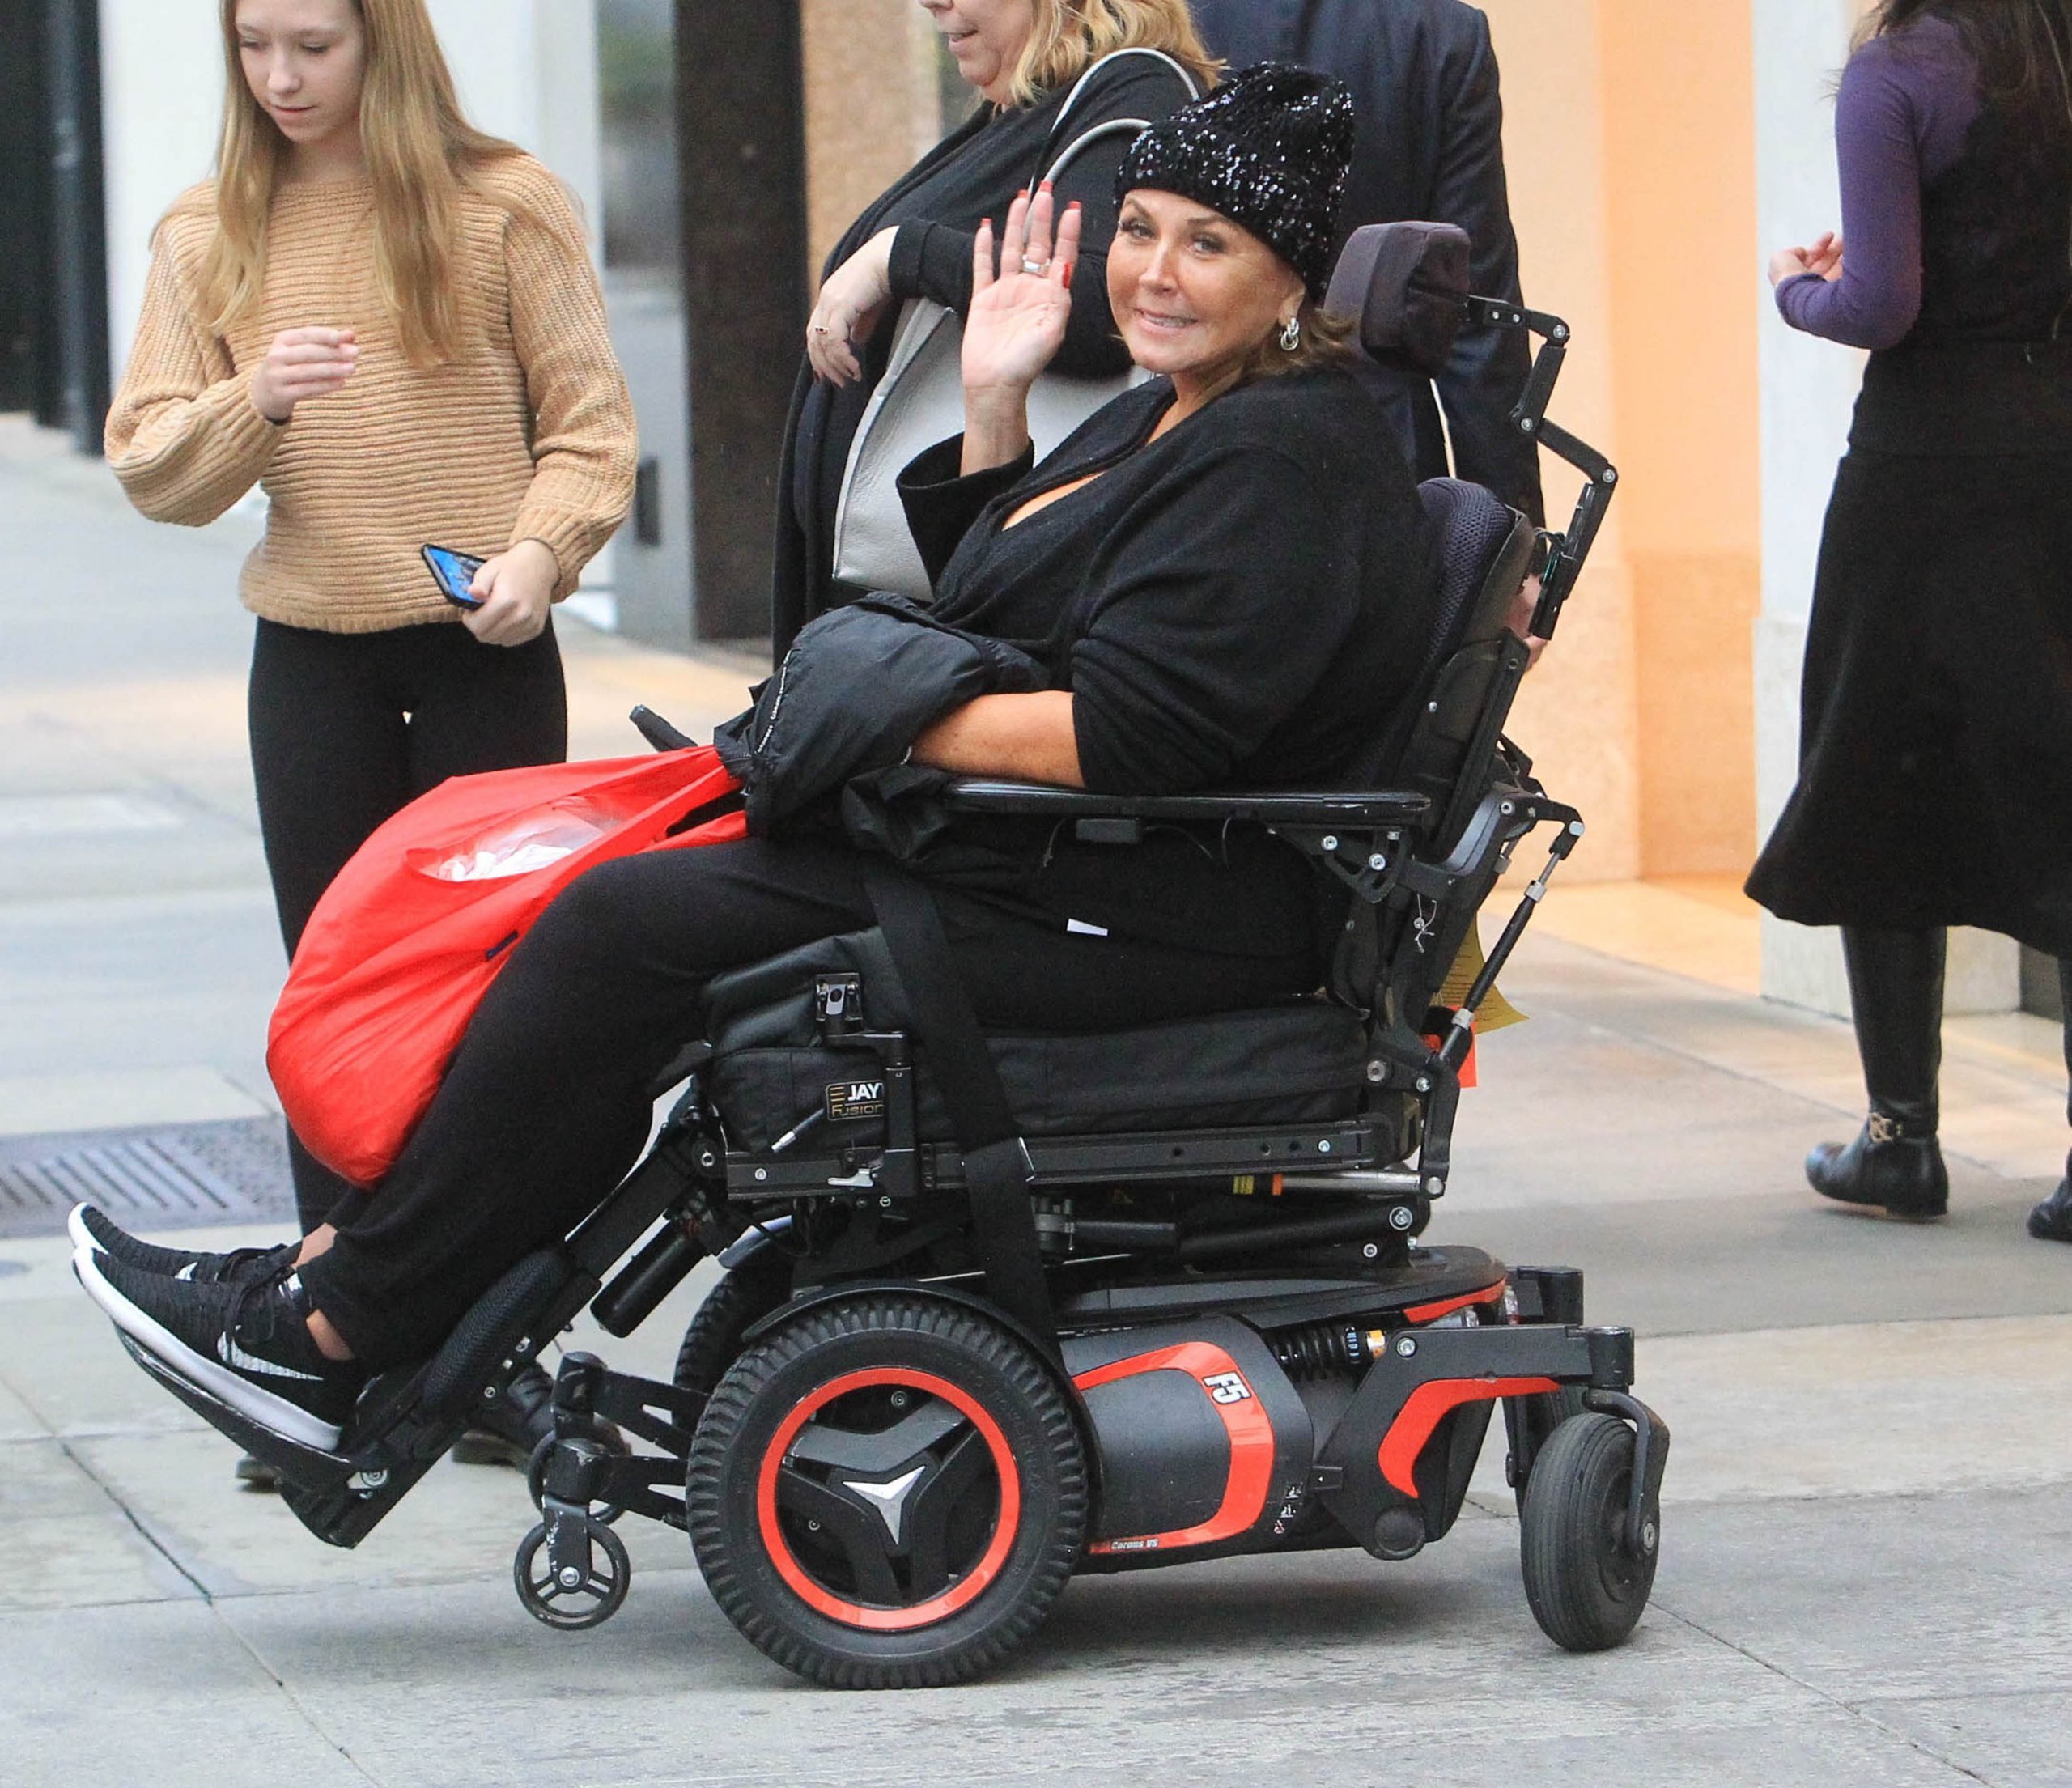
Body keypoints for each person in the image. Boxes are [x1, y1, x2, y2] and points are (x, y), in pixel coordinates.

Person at [74, 66, 1449, 1455]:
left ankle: (341, 1319)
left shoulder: (1280, 454)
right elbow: (999, 604)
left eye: (1206, 244)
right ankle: (366, 1282)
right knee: (607, 898)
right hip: (1059, 862)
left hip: (1152, 909)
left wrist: (877, 722)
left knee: (622, 925)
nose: (1153, 271)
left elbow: (1133, 734)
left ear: (1295, 283)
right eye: (1140, 227)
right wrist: (994, 400)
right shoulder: (1179, 406)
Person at [100, 0, 639, 1471]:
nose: (280, 77)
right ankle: (327, 1350)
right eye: (255, 45)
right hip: (315, 669)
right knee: (337, 1009)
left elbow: (590, 428)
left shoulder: (505, 207)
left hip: (484, 663)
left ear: (382, 42)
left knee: (494, 1017)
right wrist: (251, 402)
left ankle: (481, 1347)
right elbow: (152, 464)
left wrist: (540, 557)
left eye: (312, 46)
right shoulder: (207, 230)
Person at [1747, 0, 2072, 1240]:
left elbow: (1882, 306)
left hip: (1927, 465)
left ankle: (1900, 1138)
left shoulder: (1901, 73)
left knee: (1884, 767)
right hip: (2062, 458)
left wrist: (1796, 290)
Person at [775, 0, 1216, 652]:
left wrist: (903, 254)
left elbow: (1114, 307)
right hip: (918, 598)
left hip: (964, 612)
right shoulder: (1029, 110)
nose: (933, 1)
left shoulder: (1131, 92)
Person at [1185, 0, 1543, 522]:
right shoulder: (1437, 30)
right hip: (1380, 451)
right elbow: (1476, 312)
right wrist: (1514, 538)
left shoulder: (1138, 14)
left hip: (1187, 440)